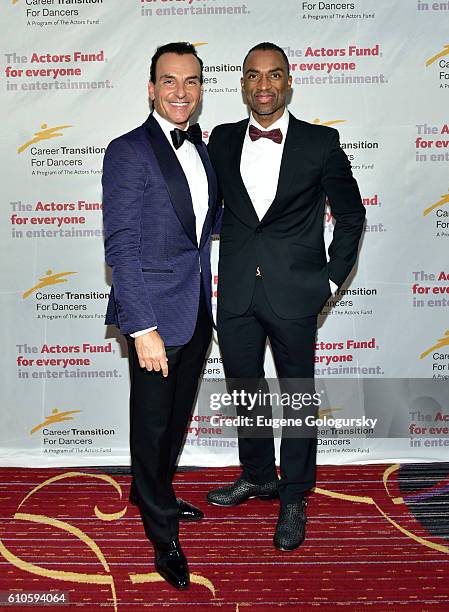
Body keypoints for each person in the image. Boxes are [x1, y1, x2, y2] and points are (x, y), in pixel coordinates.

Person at [206, 42, 365, 551]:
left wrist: (331, 281)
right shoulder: (223, 140)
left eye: (274, 75)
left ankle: (295, 495)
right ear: (243, 85)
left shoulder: (321, 143)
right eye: (254, 76)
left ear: (289, 82)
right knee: (245, 391)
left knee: (297, 398)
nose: (264, 85)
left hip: (296, 292)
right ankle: (257, 475)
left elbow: (352, 215)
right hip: (234, 293)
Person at [102, 42, 218, 589]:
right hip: (153, 317)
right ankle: (161, 532)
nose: (180, 92)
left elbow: (201, 231)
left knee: (173, 422)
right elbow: (121, 248)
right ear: (151, 88)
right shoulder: (127, 151)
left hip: (195, 309)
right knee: (150, 429)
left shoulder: (203, 147)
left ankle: (159, 492)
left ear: (200, 88)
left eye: (191, 81)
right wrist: (141, 327)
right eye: (169, 81)